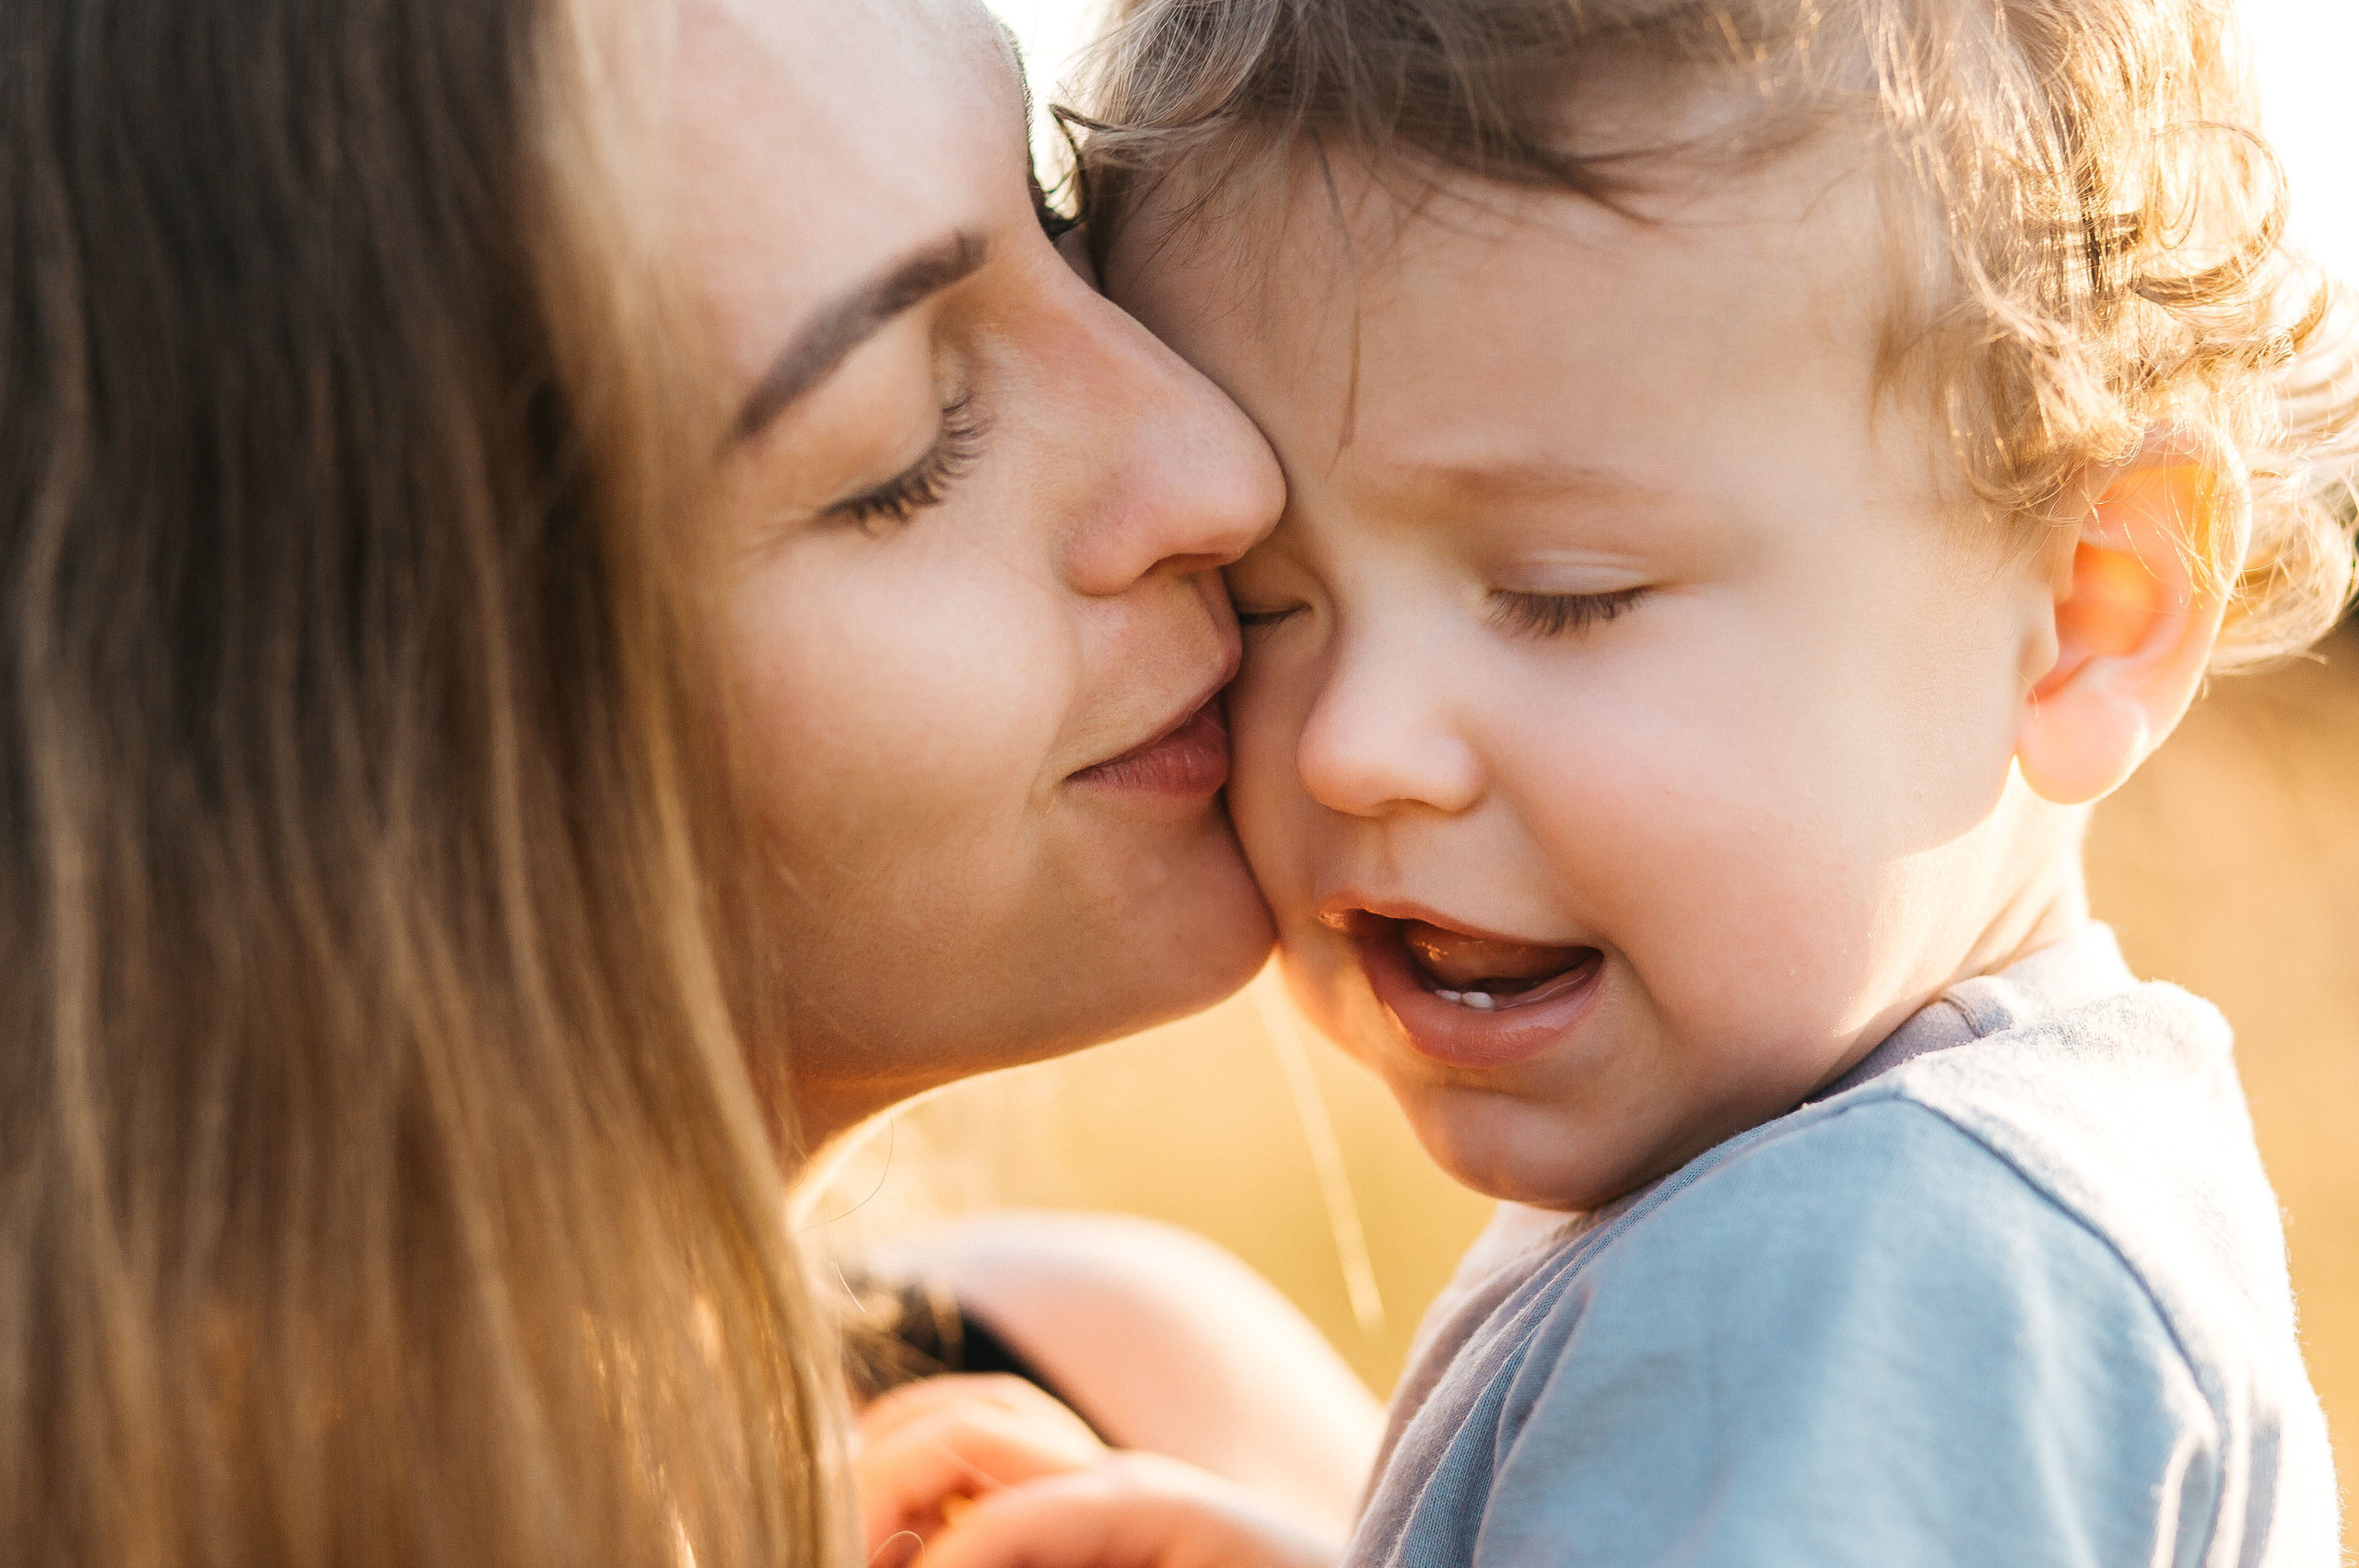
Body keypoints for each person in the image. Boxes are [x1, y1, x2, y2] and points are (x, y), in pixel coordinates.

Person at [855, 0, 2358, 1562]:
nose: (1352, 744)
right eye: (1263, 598)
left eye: (1564, 594)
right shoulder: (1882, 1188)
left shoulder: (1888, 1256)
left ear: (2090, 617)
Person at [0, 0, 1373, 1562]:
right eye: (910, 446)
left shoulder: (1161, 1418)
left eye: (1059, 216)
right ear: (344, 764)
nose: (1222, 465)